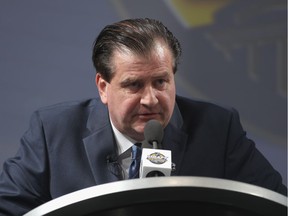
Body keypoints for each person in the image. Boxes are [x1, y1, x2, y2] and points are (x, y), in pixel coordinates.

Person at [0, 18, 286, 215]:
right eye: (134, 85)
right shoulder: (52, 133)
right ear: (103, 87)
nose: (150, 99)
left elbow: (275, 205)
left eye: (161, 82)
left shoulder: (218, 129)